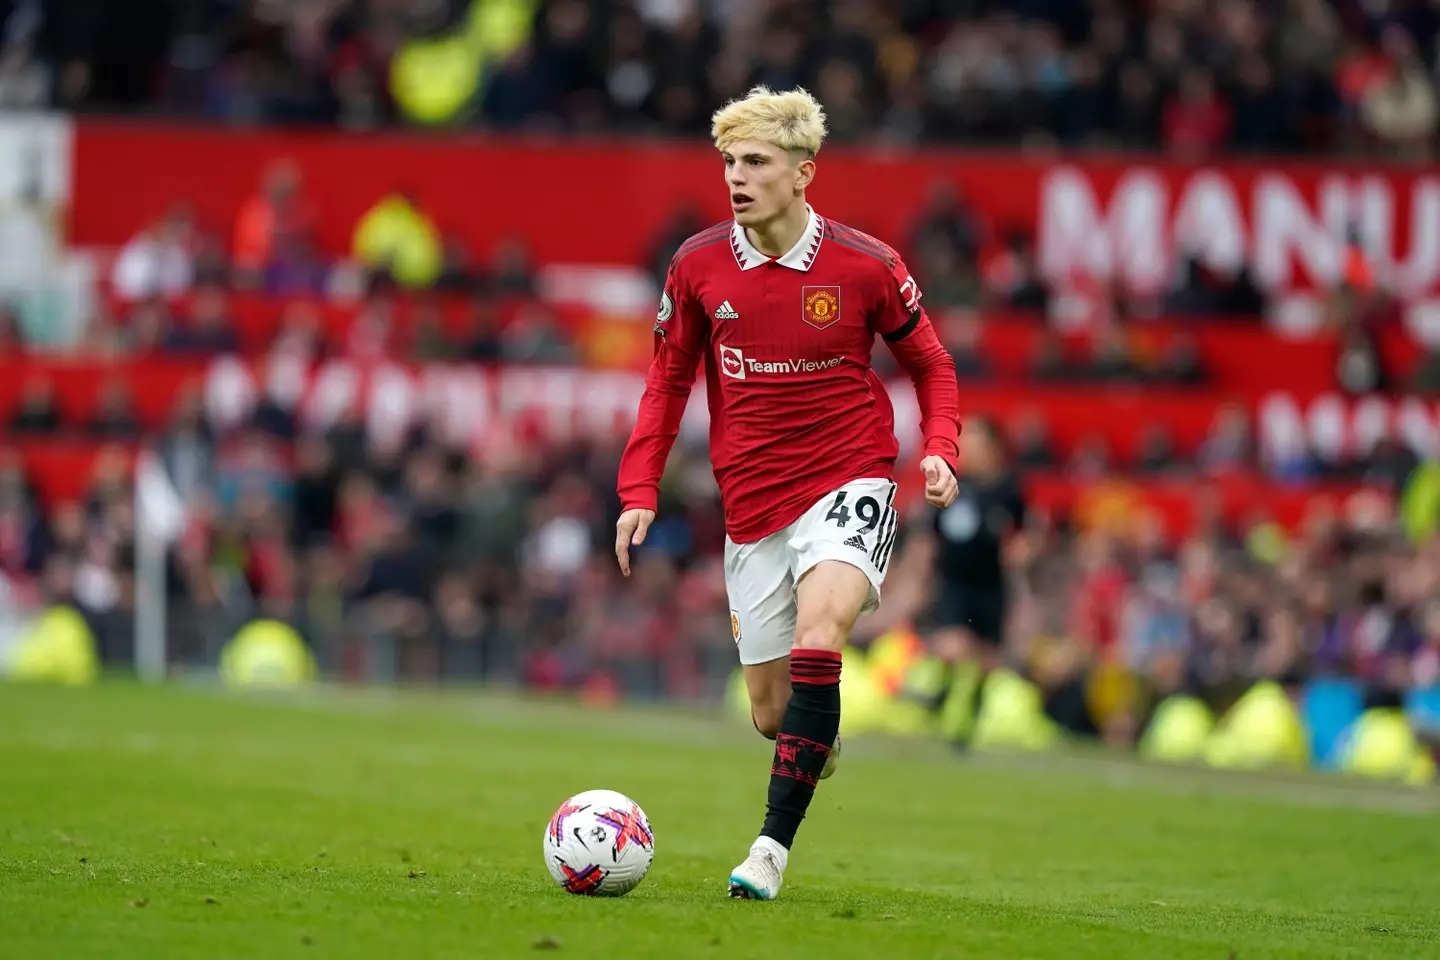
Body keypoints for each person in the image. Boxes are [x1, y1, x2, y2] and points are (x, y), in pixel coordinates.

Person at [613, 86, 962, 901]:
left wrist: (939, 449)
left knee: (822, 632)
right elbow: (666, 383)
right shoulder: (698, 265)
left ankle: (769, 850)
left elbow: (933, 366)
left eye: (756, 162)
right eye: (729, 161)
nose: (737, 177)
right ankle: (815, 736)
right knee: (775, 714)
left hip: (853, 476)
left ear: (803, 173)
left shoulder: (866, 265)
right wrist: (640, 488)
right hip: (754, 505)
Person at [925, 416, 1027, 744]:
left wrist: (1023, 552)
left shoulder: (1008, 489)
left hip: (990, 585)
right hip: (954, 583)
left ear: (994, 449)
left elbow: (1026, 531)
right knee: (954, 645)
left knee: (985, 657)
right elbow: (931, 533)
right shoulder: (955, 483)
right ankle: (941, 698)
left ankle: (967, 717)